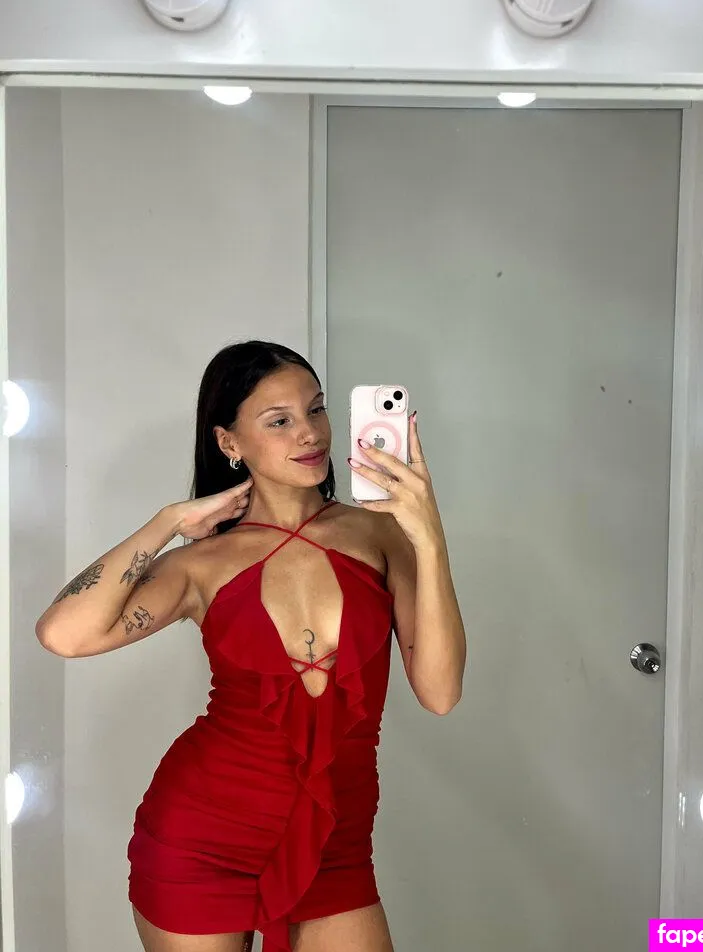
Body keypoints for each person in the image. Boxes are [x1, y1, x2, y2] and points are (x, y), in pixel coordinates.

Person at [35, 340, 467, 952]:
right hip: (202, 841)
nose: (309, 433)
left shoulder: (381, 535)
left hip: (336, 848)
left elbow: (441, 693)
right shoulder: (201, 564)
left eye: (315, 409)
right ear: (229, 442)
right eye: (279, 421)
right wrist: (167, 523)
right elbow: (64, 632)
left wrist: (429, 535)